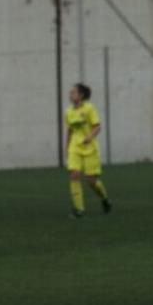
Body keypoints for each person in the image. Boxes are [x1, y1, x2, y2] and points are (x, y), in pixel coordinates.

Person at [65, 83, 111, 217]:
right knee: (74, 175)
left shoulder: (89, 108)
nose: (70, 95)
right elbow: (69, 131)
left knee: (92, 181)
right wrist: (67, 148)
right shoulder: (68, 111)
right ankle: (79, 209)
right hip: (75, 147)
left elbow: (97, 127)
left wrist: (89, 137)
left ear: (81, 95)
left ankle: (105, 200)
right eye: (70, 93)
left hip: (90, 148)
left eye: (73, 92)